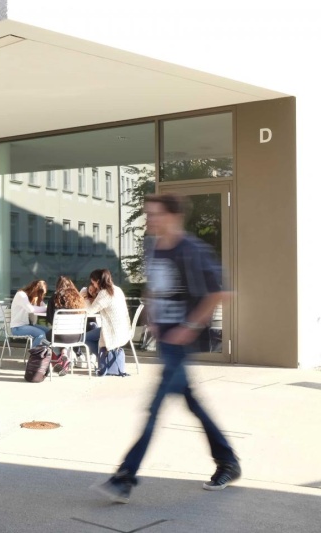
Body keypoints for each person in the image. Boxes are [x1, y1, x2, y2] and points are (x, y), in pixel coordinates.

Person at [94, 193, 240, 504]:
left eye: (154, 214)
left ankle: (125, 477)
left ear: (172, 216)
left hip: (180, 344)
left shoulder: (192, 249)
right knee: (193, 404)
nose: (149, 219)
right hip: (166, 339)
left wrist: (188, 328)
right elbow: (155, 286)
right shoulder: (155, 247)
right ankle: (228, 461)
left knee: (154, 408)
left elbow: (220, 293)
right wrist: (152, 314)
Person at [82, 269, 131, 365]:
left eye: (93, 282)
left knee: (84, 338)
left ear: (98, 281)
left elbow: (90, 311)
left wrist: (85, 298)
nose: (93, 285)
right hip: (124, 329)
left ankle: (103, 359)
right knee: (94, 329)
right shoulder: (117, 289)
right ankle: (104, 359)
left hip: (112, 331)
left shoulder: (104, 293)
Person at [46, 276, 86, 361]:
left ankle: (61, 355)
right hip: (78, 337)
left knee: (47, 336)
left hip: (60, 335)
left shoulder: (55, 298)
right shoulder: (78, 298)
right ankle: (65, 354)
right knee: (60, 335)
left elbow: (50, 319)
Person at [10, 279, 50, 347]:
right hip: (18, 327)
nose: (40, 296)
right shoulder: (21, 294)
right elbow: (30, 309)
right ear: (34, 290)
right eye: (39, 294)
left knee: (50, 333)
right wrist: (47, 308)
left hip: (29, 325)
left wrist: (47, 307)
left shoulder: (34, 298)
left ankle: (44, 354)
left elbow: (43, 307)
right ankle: (34, 355)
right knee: (41, 334)